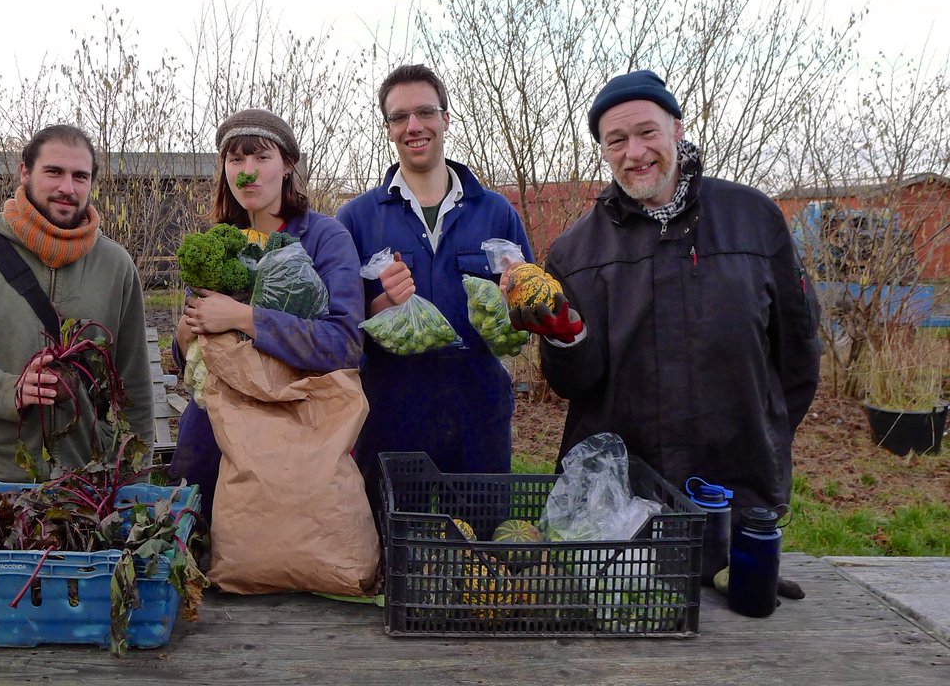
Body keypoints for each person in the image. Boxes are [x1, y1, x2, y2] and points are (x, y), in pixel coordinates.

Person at [522, 70, 822, 521]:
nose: (635, 152)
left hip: (737, 485)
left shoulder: (753, 218)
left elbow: (797, 349)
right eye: (617, 140)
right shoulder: (575, 252)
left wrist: (767, 432)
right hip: (620, 500)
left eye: (647, 132)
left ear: (676, 130)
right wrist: (564, 339)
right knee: (624, 594)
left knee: (735, 592)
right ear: (603, 150)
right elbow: (573, 385)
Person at [0, 124, 156, 482]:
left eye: (80, 176)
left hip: (85, 483)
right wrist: (7, 391)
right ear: (25, 172)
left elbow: (133, 384)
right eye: (53, 172)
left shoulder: (116, 266)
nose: (67, 188)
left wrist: (136, 482)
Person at [336, 64, 533, 506]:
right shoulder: (356, 219)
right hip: (390, 420)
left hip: (479, 416)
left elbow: (529, 307)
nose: (414, 126)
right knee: (394, 552)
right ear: (388, 129)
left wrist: (516, 302)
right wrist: (381, 304)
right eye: (399, 117)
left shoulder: (495, 212)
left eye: (425, 112)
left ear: (446, 118)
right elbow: (338, 326)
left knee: (480, 552)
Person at [169, 108, 365, 523]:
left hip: (294, 438)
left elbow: (344, 346)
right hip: (212, 439)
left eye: (261, 158)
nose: (247, 173)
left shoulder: (325, 238)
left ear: (288, 165)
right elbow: (191, 361)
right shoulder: (215, 242)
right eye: (236, 160)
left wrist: (244, 317)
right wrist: (185, 337)